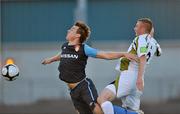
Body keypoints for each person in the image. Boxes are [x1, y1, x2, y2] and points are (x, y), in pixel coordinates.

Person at [42, 21, 137, 114]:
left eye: (72, 29)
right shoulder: (65, 47)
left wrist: (123, 54)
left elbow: (105, 55)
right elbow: (62, 55)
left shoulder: (84, 48)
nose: (68, 30)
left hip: (83, 86)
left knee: (96, 108)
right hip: (73, 90)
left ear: (77, 35)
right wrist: (51, 59)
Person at [97, 18, 162, 114]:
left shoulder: (141, 38)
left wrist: (140, 79)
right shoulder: (154, 42)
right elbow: (159, 53)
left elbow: (142, 57)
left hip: (129, 76)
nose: (134, 28)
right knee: (132, 110)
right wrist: (150, 35)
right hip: (136, 80)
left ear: (143, 28)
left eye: (136, 26)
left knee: (102, 99)